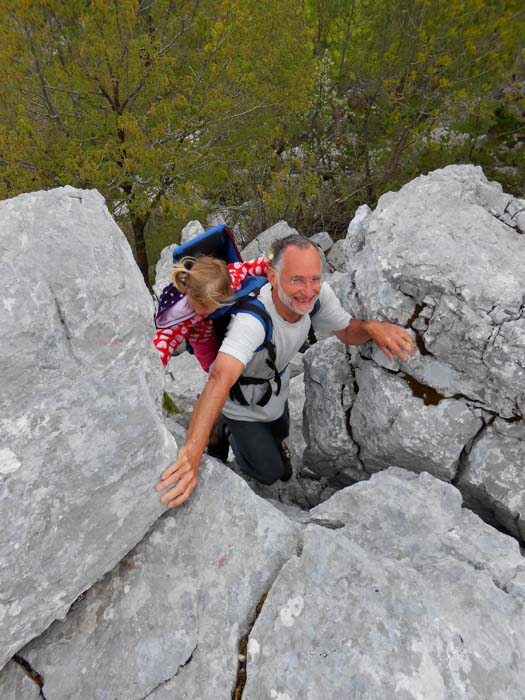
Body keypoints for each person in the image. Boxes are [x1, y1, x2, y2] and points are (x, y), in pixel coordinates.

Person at [156, 234, 416, 508]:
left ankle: (257, 439)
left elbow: (347, 330)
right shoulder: (251, 321)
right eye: (296, 280)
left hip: (275, 386)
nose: (308, 290)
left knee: (280, 432)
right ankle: (225, 427)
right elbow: (219, 379)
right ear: (272, 277)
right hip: (240, 400)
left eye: (314, 278)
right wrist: (192, 452)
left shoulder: (317, 297)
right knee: (269, 473)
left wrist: (372, 328)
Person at [153, 255, 268, 371]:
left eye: (205, 307)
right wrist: (155, 363)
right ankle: (213, 371)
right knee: (207, 357)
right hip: (199, 332)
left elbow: (250, 267)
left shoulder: (229, 280)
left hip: (217, 319)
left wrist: (272, 264)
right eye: (195, 306)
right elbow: (165, 338)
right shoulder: (181, 313)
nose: (197, 309)